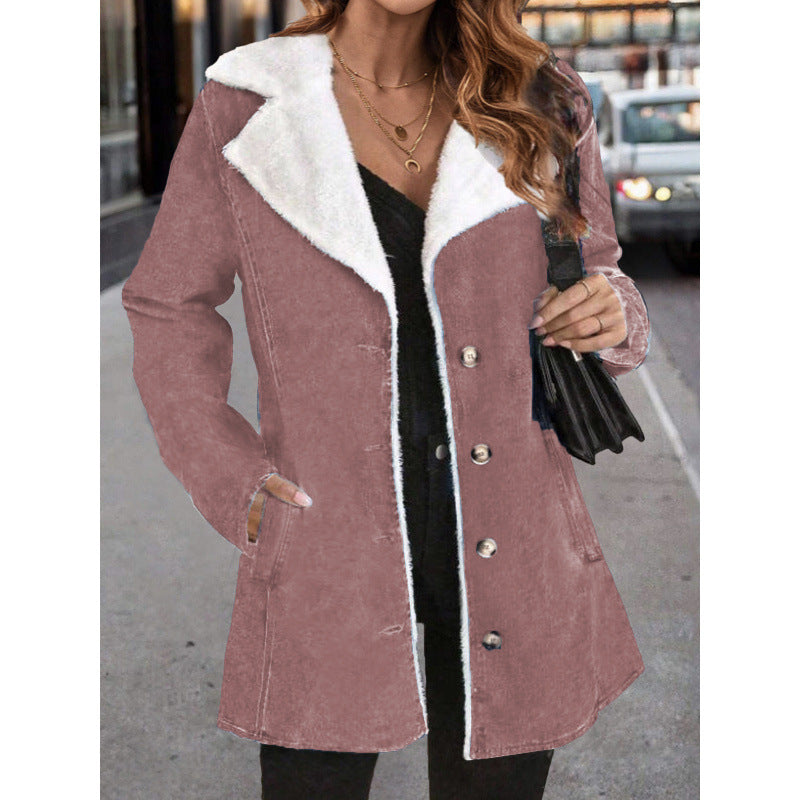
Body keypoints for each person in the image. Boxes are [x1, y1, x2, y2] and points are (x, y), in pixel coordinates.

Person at [121, 1, 652, 798]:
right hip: (328, 538)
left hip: (514, 531)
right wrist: (230, 478)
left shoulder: (540, 95)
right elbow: (168, 304)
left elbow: (599, 264)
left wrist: (612, 311)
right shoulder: (248, 103)